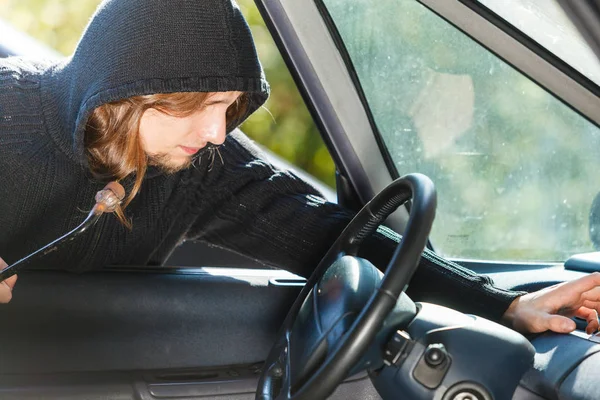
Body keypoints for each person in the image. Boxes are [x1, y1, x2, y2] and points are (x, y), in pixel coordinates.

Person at [0, 0, 599, 337]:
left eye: (227, 106)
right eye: (197, 107)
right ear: (122, 93)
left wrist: (500, 305)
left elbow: (341, 240)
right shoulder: (8, 115)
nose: (216, 132)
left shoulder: (200, 167)